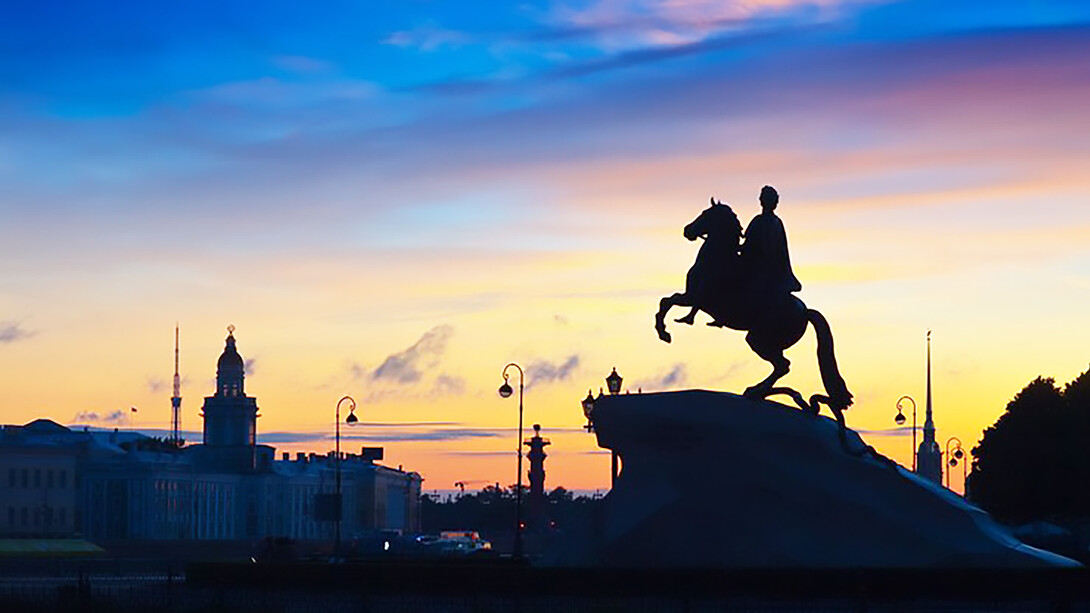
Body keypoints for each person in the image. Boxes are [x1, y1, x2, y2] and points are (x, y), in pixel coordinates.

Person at [741, 186, 801, 303]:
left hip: (763, 267)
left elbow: (770, 248)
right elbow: (748, 242)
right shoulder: (759, 220)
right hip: (757, 263)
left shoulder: (773, 222)